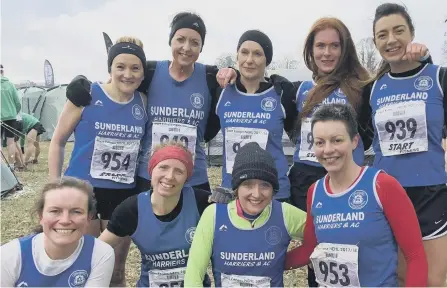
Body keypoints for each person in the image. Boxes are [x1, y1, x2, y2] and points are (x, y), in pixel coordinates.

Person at [66, 12, 237, 194]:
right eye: (180, 39)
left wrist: (235, 73)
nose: (186, 47)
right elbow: (121, 79)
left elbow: (245, 89)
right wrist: (80, 84)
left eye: (195, 42)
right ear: (170, 41)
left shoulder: (210, 76)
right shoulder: (151, 71)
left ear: (201, 47)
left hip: (194, 177)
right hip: (150, 176)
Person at [285, 103, 428, 287]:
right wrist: (262, 263)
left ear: (354, 141)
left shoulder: (382, 185)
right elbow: (309, 249)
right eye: (320, 142)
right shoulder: (315, 191)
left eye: (337, 140)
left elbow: (415, 256)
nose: (328, 150)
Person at [358, 3, 447, 286]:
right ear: (375, 42)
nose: (391, 40)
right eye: (382, 35)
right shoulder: (371, 89)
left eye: (399, 31)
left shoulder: (439, 77)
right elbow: (360, 141)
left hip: (431, 193)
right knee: (401, 277)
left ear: (412, 34)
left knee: (434, 278)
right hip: (389, 193)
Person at [48, 36, 148, 286]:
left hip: (123, 194)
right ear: (110, 68)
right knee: (82, 267)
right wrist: (54, 186)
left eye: (135, 68)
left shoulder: (143, 102)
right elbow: (58, 141)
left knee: (115, 270)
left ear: (144, 73)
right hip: (84, 191)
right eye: (120, 67)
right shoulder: (87, 95)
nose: (127, 74)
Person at [184, 142, 307, 287]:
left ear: (273, 189)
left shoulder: (285, 213)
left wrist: (285, 261)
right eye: (248, 184)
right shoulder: (214, 215)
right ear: (236, 188)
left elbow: (323, 235)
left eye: (265, 185)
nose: (256, 194)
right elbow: (193, 276)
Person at [98, 142, 213, 287]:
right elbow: (97, 250)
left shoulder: (202, 203)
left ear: (187, 178)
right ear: (151, 170)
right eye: (163, 167)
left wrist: (230, 203)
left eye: (179, 171)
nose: (170, 176)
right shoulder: (132, 209)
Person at [215, 30, 297, 202]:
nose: (249, 60)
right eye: (244, 52)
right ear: (237, 56)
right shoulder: (221, 92)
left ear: (267, 60)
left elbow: (298, 136)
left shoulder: (281, 93)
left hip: (274, 192)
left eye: (257, 54)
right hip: (234, 191)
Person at [0, 177, 115, 287]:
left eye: (76, 212)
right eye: (55, 211)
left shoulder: (100, 253)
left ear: (89, 218)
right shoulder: (10, 255)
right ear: (41, 216)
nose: (65, 220)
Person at [1, 64, 23, 169]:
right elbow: (18, 103)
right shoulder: (10, 85)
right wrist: (14, 112)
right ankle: (11, 165)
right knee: (11, 143)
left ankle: (1, 167)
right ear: (3, 72)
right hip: (11, 117)